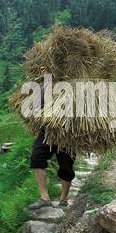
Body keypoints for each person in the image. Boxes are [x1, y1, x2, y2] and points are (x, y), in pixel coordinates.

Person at [28, 70, 76, 209]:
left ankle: (64, 197)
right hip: (47, 131)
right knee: (36, 158)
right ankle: (45, 197)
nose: (46, 74)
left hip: (68, 133)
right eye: (45, 73)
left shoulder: (73, 87)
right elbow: (37, 109)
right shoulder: (43, 89)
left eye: (49, 72)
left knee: (66, 167)